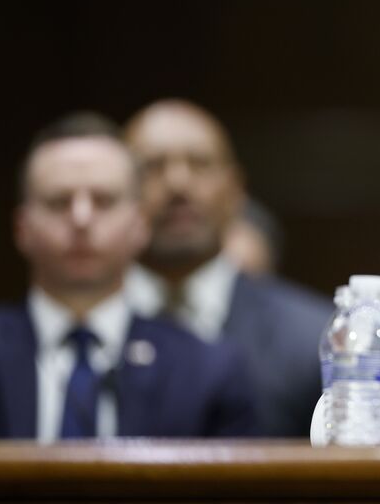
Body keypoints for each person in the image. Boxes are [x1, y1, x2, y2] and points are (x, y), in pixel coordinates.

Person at [0, 113, 256, 440]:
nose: (81, 219)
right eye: (58, 202)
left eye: (103, 201)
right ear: (22, 228)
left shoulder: (207, 370)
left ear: (140, 225)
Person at [123, 99, 331, 437]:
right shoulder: (81, 336)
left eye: (200, 164)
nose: (178, 183)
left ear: (235, 190)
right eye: (152, 166)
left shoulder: (314, 340)